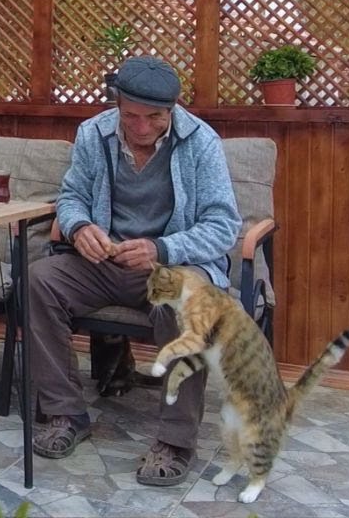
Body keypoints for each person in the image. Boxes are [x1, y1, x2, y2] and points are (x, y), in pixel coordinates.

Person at [28, 55, 241, 488]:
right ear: (117, 103)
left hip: (173, 266)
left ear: (174, 108)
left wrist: (162, 247)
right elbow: (70, 198)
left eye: (154, 117)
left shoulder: (202, 142)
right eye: (131, 116)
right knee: (39, 281)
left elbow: (224, 226)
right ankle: (65, 413)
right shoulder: (93, 133)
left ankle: (176, 440)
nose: (141, 128)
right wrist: (79, 225)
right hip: (105, 262)